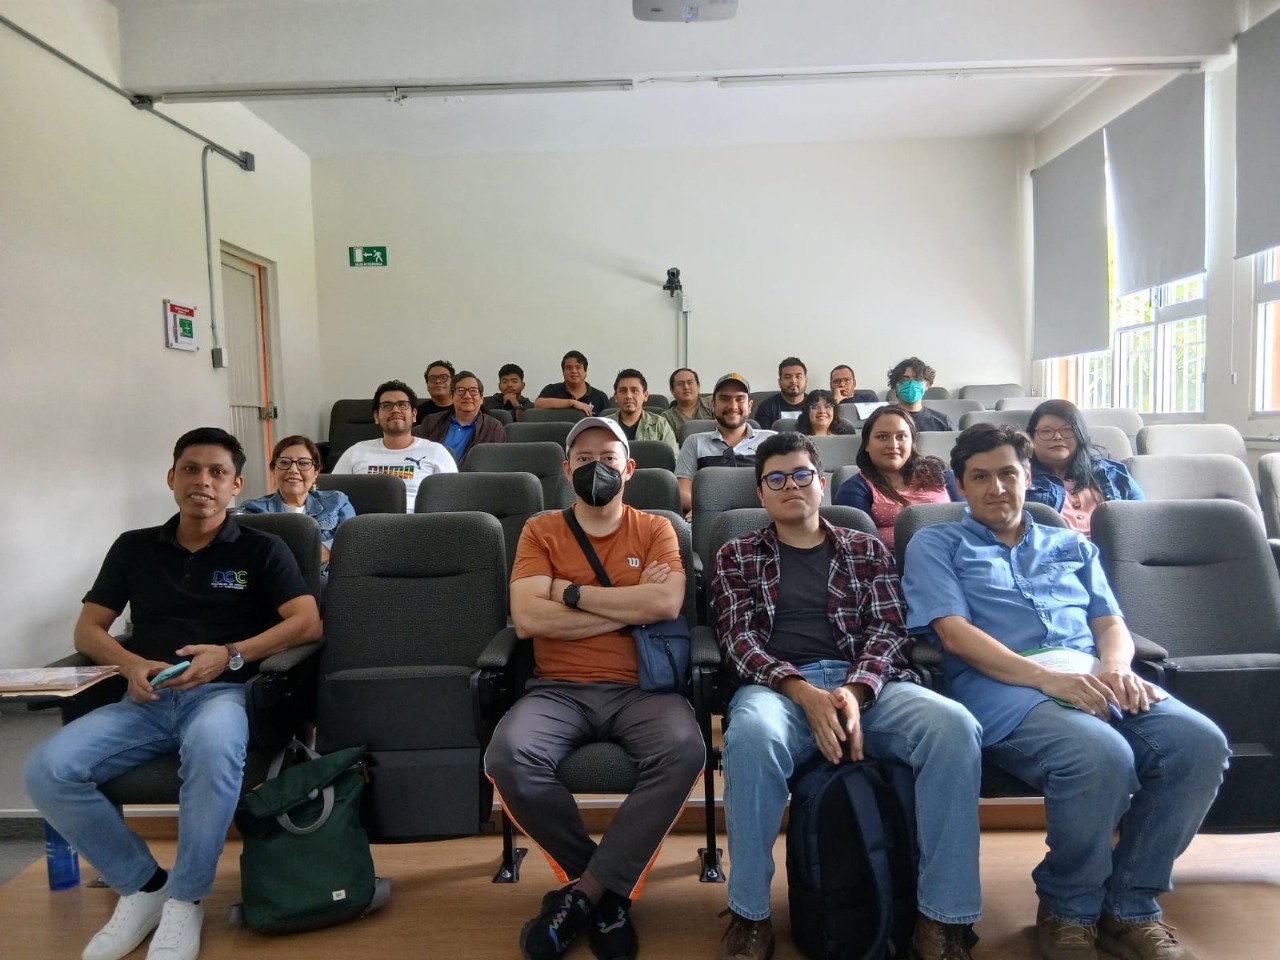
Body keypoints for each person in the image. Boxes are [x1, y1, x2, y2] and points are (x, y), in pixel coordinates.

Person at [901, 424, 1228, 960]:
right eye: (979, 477)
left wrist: (1118, 666)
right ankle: (1069, 909)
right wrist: (1049, 680)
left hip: (1093, 673)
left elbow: (1109, 620)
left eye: (1008, 473)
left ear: (1027, 477)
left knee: (1199, 744)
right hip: (1002, 684)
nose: (996, 488)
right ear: (960, 485)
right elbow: (953, 633)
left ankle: (1129, 905)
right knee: (1099, 755)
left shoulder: (1070, 543)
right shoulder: (937, 542)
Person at [23, 428, 322, 960]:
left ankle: (186, 900)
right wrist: (131, 664)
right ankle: (144, 885)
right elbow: (88, 630)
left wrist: (229, 655)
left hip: (223, 694)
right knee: (46, 769)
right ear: (171, 478)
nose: (201, 482)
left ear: (236, 486)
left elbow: (307, 623)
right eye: (190, 469)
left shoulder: (262, 547)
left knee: (211, 748)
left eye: (216, 473)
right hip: (145, 700)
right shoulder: (135, 547)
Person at [711, 432, 982, 960]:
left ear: (822, 482)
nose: (791, 486)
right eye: (776, 478)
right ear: (761, 495)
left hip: (867, 685)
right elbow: (736, 640)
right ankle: (749, 913)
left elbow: (887, 630)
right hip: (779, 688)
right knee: (749, 737)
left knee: (954, 728)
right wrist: (806, 694)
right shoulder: (736, 553)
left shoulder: (865, 547)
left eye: (802, 475)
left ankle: (941, 917)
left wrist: (855, 692)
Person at [484, 417, 705, 960]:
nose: (596, 468)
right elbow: (529, 619)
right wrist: (627, 610)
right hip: (557, 688)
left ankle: (583, 894)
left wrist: (569, 594)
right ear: (566, 469)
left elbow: (666, 605)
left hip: (643, 689)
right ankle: (606, 890)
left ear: (629, 468)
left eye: (608, 457)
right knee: (508, 756)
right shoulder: (541, 530)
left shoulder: (656, 529)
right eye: (584, 459)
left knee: (685, 750)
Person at [834, 406, 961, 549]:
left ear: (912, 442)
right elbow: (860, 552)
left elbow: (968, 521)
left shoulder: (941, 473)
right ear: (867, 444)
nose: (893, 445)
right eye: (882, 437)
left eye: (901, 436)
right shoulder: (854, 490)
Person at [239, 434, 355, 578]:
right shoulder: (254, 511)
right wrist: (322, 552)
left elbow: (352, 544)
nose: (293, 470)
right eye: (284, 462)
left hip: (331, 584)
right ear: (274, 470)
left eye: (303, 463)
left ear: (316, 473)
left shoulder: (338, 501)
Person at [330, 379, 456, 512]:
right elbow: (331, 496)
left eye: (402, 405)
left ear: (414, 415)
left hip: (419, 525)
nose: (395, 410)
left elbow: (453, 499)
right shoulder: (356, 452)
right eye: (387, 405)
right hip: (365, 525)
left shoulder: (436, 452)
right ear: (376, 416)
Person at [1025, 399, 1144, 538]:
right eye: (1046, 431)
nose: (1057, 436)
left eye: (1067, 430)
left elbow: (1142, 520)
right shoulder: (1020, 479)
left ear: (1079, 434)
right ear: (1031, 439)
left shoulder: (1114, 473)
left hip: (1115, 553)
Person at [675, 374, 777, 518]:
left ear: (749, 406)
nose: (733, 406)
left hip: (762, 517)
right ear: (713, 405)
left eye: (740, 399)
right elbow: (682, 492)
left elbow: (782, 486)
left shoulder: (771, 440)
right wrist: (708, 510)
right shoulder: (694, 442)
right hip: (711, 519)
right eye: (724, 399)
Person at [415, 370, 507, 466]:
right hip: (435, 477)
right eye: (460, 391)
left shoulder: (493, 428)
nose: (467, 396)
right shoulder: (432, 422)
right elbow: (417, 455)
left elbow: (495, 465)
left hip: (473, 479)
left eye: (473, 391)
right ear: (451, 397)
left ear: (481, 398)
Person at [605, 368, 679, 452]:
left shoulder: (660, 425)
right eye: (623, 391)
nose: (628, 396)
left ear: (645, 395)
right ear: (615, 397)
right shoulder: (603, 426)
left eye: (634, 391)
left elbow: (674, 459)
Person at [534, 349, 611, 416]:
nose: (574, 371)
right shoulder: (552, 390)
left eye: (578, 367)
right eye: (569, 368)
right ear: (563, 372)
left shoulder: (600, 397)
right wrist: (572, 403)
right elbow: (538, 404)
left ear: (585, 371)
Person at [887, 357, 955, 432]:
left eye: (917, 379)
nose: (911, 384)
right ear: (895, 385)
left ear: (927, 385)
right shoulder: (883, 420)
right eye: (905, 379)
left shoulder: (942, 422)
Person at [754, 357, 808, 429]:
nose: (793, 381)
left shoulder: (814, 406)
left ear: (806, 381)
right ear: (779, 382)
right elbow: (763, 437)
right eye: (787, 377)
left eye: (798, 376)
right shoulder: (766, 408)